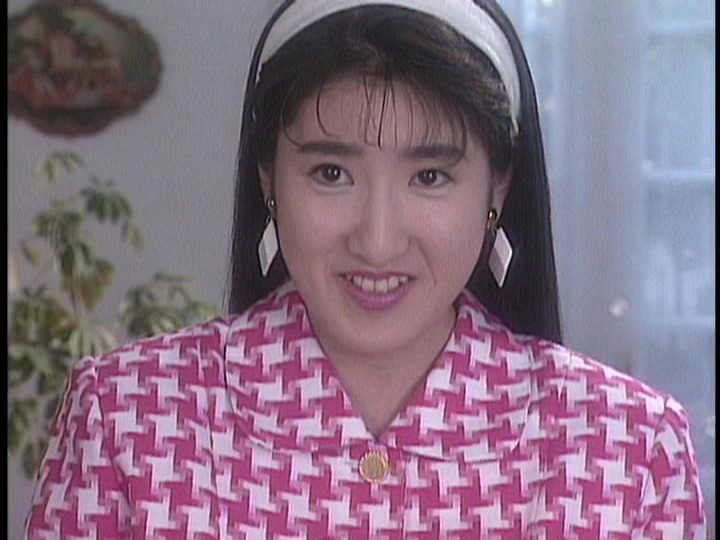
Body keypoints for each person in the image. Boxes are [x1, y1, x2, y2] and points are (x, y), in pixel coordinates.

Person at [26, 1, 706, 538]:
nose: (378, 242)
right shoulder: (127, 419)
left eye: (431, 176)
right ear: (268, 178)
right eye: (331, 172)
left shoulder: (628, 449)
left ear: (497, 189)